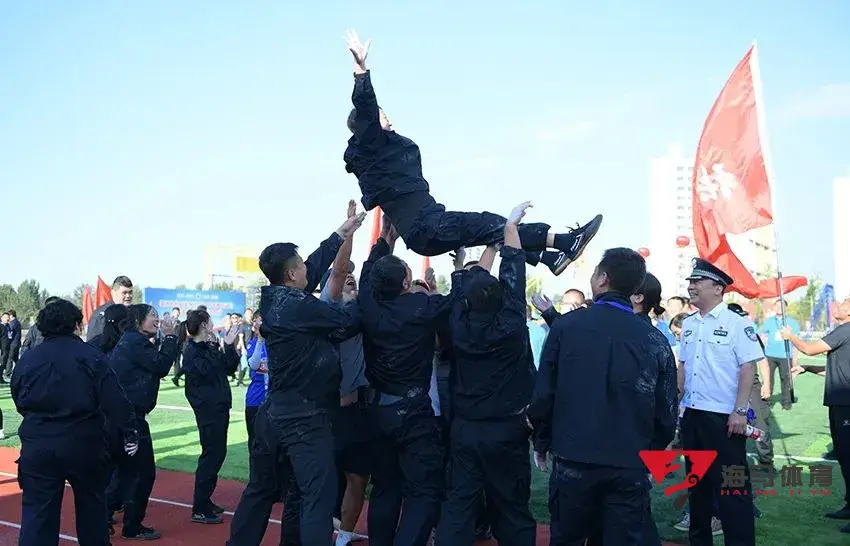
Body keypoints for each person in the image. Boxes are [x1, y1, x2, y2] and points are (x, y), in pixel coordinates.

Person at [342, 29, 602, 277]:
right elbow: (366, 109)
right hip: (426, 226)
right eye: (381, 114)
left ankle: (549, 257)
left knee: (492, 231)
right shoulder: (373, 146)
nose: (387, 117)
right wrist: (360, 71)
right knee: (493, 224)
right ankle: (563, 242)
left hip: (425, 225)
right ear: (367, 126)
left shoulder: (382, 156)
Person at [226, 208, 365, 546]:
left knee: (263, 489)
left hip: (273, 414)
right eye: (301, 265)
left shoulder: (275, 298)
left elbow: (314, 268)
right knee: (318, 496)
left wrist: (341, 234)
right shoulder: (299, 306)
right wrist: (370, 297)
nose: (307, 269)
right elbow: (346, 322)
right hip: (304, 419)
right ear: (291, 273)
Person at [527, 248, 677, 545]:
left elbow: (544, 394)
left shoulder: (567, 327)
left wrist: (541, 441)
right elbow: (666, 411)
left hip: (575, 459)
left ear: (602, 279)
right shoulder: (654, 339)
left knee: (568, 537)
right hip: (627, 461)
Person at [436, 202, 538, 546]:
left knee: (458, 504)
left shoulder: (459, 324)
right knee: (512, 507)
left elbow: (462, 292)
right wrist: (508, 229)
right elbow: (514, 271)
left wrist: (468, 259)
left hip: (466, 428)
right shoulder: (511, 323)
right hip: (506, 429)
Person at [10, 299, 139, 546]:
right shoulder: (90, 355)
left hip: (40, 443)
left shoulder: (29, 359)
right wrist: (128, 432)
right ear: (77, 325)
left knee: (38, 516)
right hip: (83, 442)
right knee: (92, 513)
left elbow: (19, 398)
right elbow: (115, 402)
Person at [355, 216, 450, 546]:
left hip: (377, 410)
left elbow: (368, 271)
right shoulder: (420, 305)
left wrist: (385, 239)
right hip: (412, 412)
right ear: (407, 283)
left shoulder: (367, 303)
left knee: (385, 486)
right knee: (423, 491)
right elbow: (461, 299)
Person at [676, 258, 764, 546]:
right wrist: (676, 402)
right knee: (697, 488)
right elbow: (683, 366)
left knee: (732, 488)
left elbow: (748, 368)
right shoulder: (689, 324)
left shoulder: (737, 324)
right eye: (690, 282)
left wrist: (740, 411)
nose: (691, 287)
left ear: (718, 288)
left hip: (724, 419)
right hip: (693, 416)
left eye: (697, 282)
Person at [108, 303, 179, 540]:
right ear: (138, 321)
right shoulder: (135, 343)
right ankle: (132, 525)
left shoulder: (131, 341)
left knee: (123, 471)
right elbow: (161, 365)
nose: (158, 320)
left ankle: (104, 517)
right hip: (130, 419)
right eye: (153, 316)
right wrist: (170, 337)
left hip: (120, 416)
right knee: (142, 473)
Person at [780, 296, 850, 534]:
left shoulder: (845, 330)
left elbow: (809, 349)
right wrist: (808, 368)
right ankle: (849, 505)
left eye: (844, 303)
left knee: (849, 457)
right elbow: (836, 369)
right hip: (840, 404)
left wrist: (790, 336)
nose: (838, 306)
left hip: (846, 405)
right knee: (844, 456)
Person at [181, 309, 240, 524]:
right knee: (211, 454)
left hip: (219, 406)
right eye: (210, 321)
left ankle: (205, 501)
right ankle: (199, 506)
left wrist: (229, 346)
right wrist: (216, 348)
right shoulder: (192, 350)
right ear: (205, 325)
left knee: (217, 453)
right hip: (208, 409)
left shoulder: (207, 347)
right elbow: (207, 371)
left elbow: (228, 367)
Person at [760, 299, 800, 409]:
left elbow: (796, 341)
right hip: (770, 355)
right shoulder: (769, 321)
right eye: (777, 305)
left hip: (785, 355)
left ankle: (786, 402)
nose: (779, 308)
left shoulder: (792, 322)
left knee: (786, 379)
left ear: (785, 308)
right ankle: (767, 401)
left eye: (781, 306)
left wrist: (795, 357)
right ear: (774, 307)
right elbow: (763, 337)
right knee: (768, 379)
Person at [87, 276, 134, 341]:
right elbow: (94, 341)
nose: (128, 296)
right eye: (124, 293)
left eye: (130, 292)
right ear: (113, 293)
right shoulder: (102, 314)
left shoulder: (134, 312)